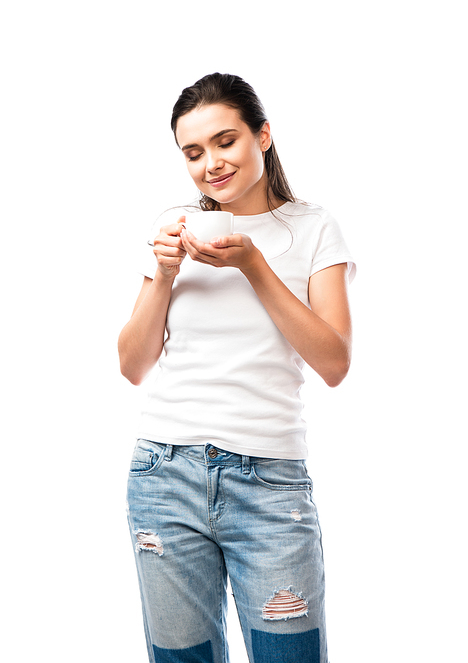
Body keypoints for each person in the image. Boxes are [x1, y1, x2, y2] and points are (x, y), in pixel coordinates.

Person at [118, 72, 356, 663]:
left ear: (263, 136)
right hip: (163, 474)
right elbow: (131, 364)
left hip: (270, 486)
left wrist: (253, 266)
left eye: (225, 142)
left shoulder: (313, 228)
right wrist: (164, 275)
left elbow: (334, 362)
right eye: (193, 153)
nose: (210, 164)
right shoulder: (175, 227)